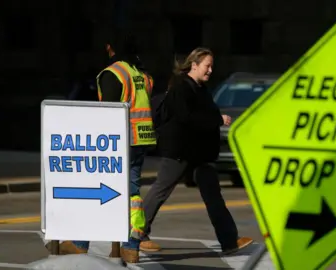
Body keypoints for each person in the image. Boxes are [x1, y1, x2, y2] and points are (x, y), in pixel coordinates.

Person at [52, 33, 156, 263]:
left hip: (119, 142)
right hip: (141, 139)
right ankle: (130, 245)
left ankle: (82, 243)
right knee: (131, 193)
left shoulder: (113, 73)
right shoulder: (141, 74)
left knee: (97, 190)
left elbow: (107, 112)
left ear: (110, 48)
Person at [140, 47, 254, 255]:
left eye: (212, 66)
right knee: (161, 190)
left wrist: (215, 118)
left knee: (213, 197)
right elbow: (187, 118)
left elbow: (200, 114)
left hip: (199, 153)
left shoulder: (200, 88)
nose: (210, 70)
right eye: (207, 66)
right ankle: (136, 233)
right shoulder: (181, 87)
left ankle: (229, 241)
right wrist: (217, 120)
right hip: (181, 151)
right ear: (194, 65)